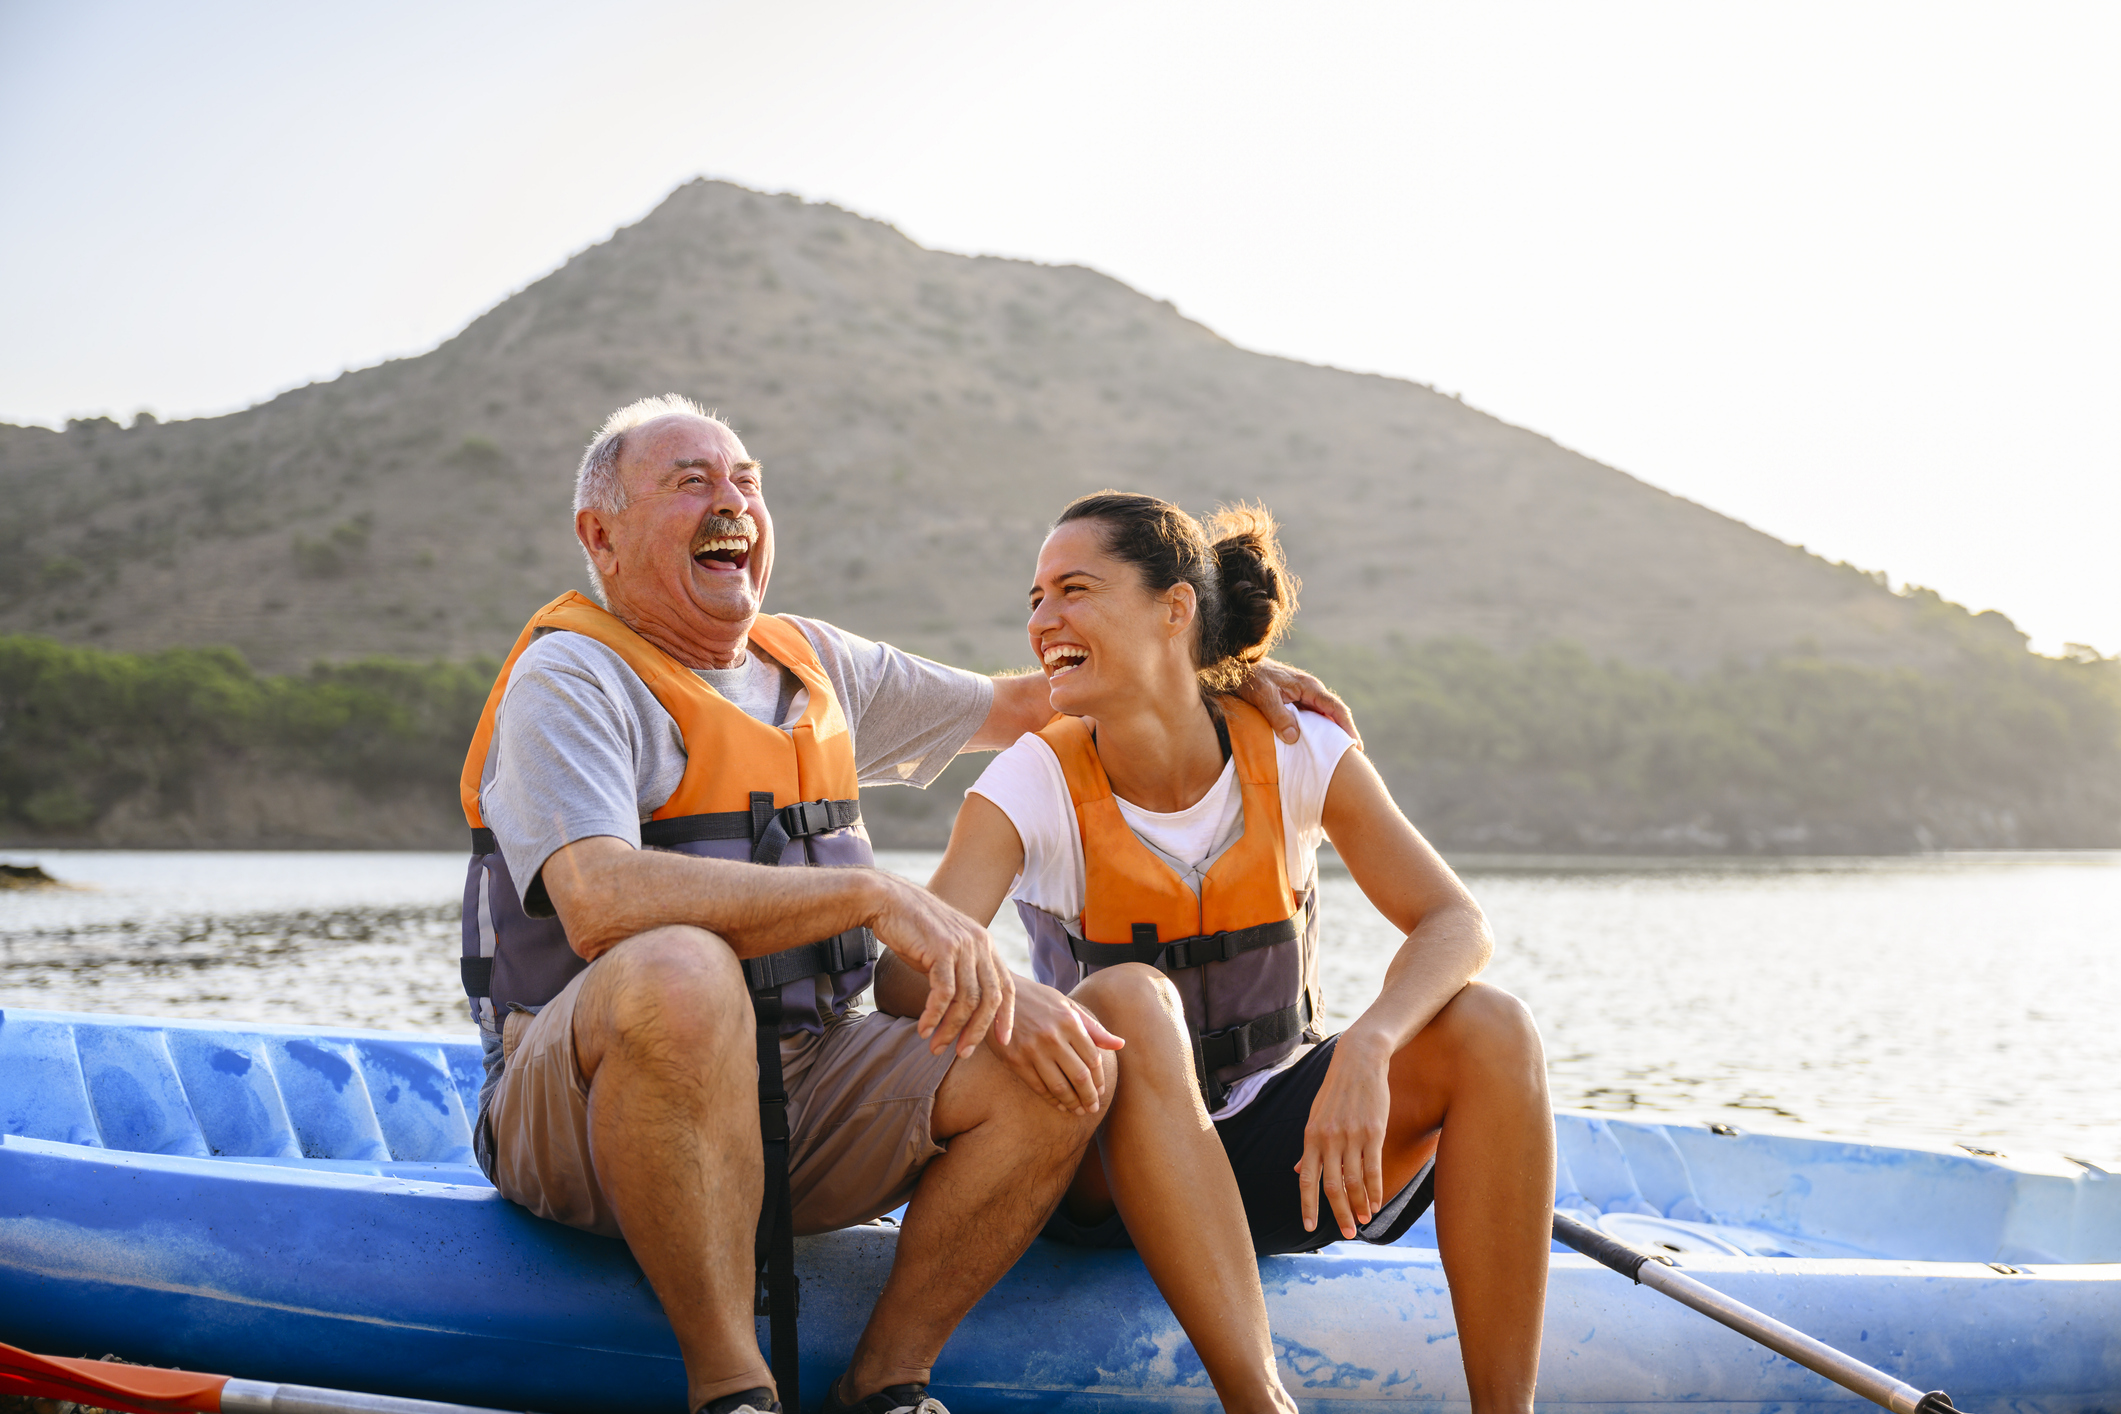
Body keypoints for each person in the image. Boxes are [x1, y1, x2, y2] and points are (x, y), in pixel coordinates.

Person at [459, 398, 1352, 1414]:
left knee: (1058, 1056)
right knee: (681, 968)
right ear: (601, 535)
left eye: (745, 478)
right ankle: (730, 1389)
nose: (731, 501)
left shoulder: (818, 666)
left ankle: (884, 1382)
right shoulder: (570, 677)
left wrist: (1201, 673)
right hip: (580, 1106)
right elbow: (599, 901)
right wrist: (869, 893)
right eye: (690, 481)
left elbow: (1034, 704)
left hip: (799, 1087)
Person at [921, 492, 1556, 1414]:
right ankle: (1258, 1402)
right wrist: (1031, 1012)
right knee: (1131, 996)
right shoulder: (1031, 779)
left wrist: (1370, 1046)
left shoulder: (1295, 742)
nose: (1040, 620)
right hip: (1096, 1177)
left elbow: (1454, 923)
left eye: (1073, 589)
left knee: (1493, 1025)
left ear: (1173, 610)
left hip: (1277, 1162)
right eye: (1034, 598)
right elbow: (908, 973)